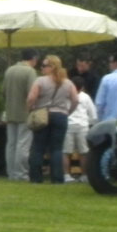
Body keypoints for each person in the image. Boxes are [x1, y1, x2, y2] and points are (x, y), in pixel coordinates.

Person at [27, 54, 78, 183]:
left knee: (38, 147)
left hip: (42, 115)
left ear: (52, 67)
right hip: (61, 115)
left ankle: (36, 178)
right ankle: (57, 178)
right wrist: (68, 112)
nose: (41, 68)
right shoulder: (68, 82)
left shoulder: (40, 81)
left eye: (44, 66)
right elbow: (75, 100)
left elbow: (31, 98)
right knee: (57, 148)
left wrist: (30, 109)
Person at [3, 50, 38, 181]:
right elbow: (32, 93)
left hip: (10, 112)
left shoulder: (9, 70)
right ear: (33, 58)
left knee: (11, 144)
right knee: (23, 144)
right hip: (24, 112)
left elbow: (3, 91)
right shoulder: (30, 72)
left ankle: (11, 172)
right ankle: (21, 174)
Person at [64, 75, 97, 182]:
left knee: (66, 152)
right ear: (82, 87)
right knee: (84, 152)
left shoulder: (65, 95)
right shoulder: (86, 97)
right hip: (82, 126)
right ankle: (84, 175)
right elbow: (93, 115)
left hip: (68, 125)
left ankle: (66, 175)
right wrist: (90, 124)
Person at [95, 52, 117, 121]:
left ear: (116, 63)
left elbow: (99, 103)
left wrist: (99, 119)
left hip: (108, 120)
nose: (109, 64)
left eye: (110, 62)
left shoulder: (106, 79)